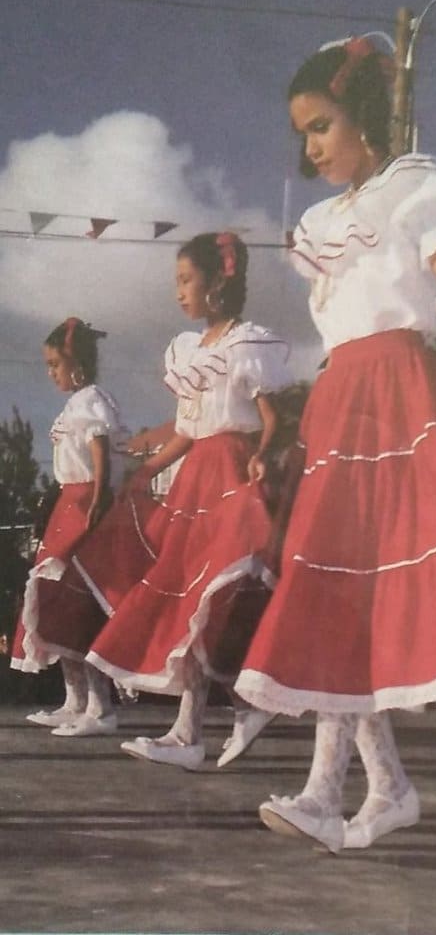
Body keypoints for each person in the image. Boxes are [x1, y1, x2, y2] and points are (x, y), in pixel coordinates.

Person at [233, 36, 436, 853]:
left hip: (400, 393)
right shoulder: (321, 222)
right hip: (342, 400)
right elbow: (337, 334)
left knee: (348, 584)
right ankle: (386, 790)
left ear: (363, 117)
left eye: (321, 126)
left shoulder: (416, 189)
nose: (310, 146)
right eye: (301, 132)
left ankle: (325, 793)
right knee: (339, 587)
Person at [74, 232, 290, 768]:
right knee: (187, 601)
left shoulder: (247, 344)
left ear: (219, 283)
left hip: (235, 473)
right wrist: (145, 469)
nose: (178, 292)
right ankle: (188, 731)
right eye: (177, 282)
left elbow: (273, 418)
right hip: (197, 479)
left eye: (187, 280)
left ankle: (253, 696)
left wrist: (264, 453)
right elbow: (188, 432)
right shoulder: (189, 351)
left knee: (228, 590)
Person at [11, 317, 128, 736]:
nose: (50, 372)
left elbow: (99, 448)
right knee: (55, 599)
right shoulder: (74, 403)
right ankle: (74, 698)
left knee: (81, 604)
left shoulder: (90, 400)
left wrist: (98, 495)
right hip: (67, 505)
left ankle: (100, 707)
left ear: (76, 363)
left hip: (84, 505)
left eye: (55, 364)